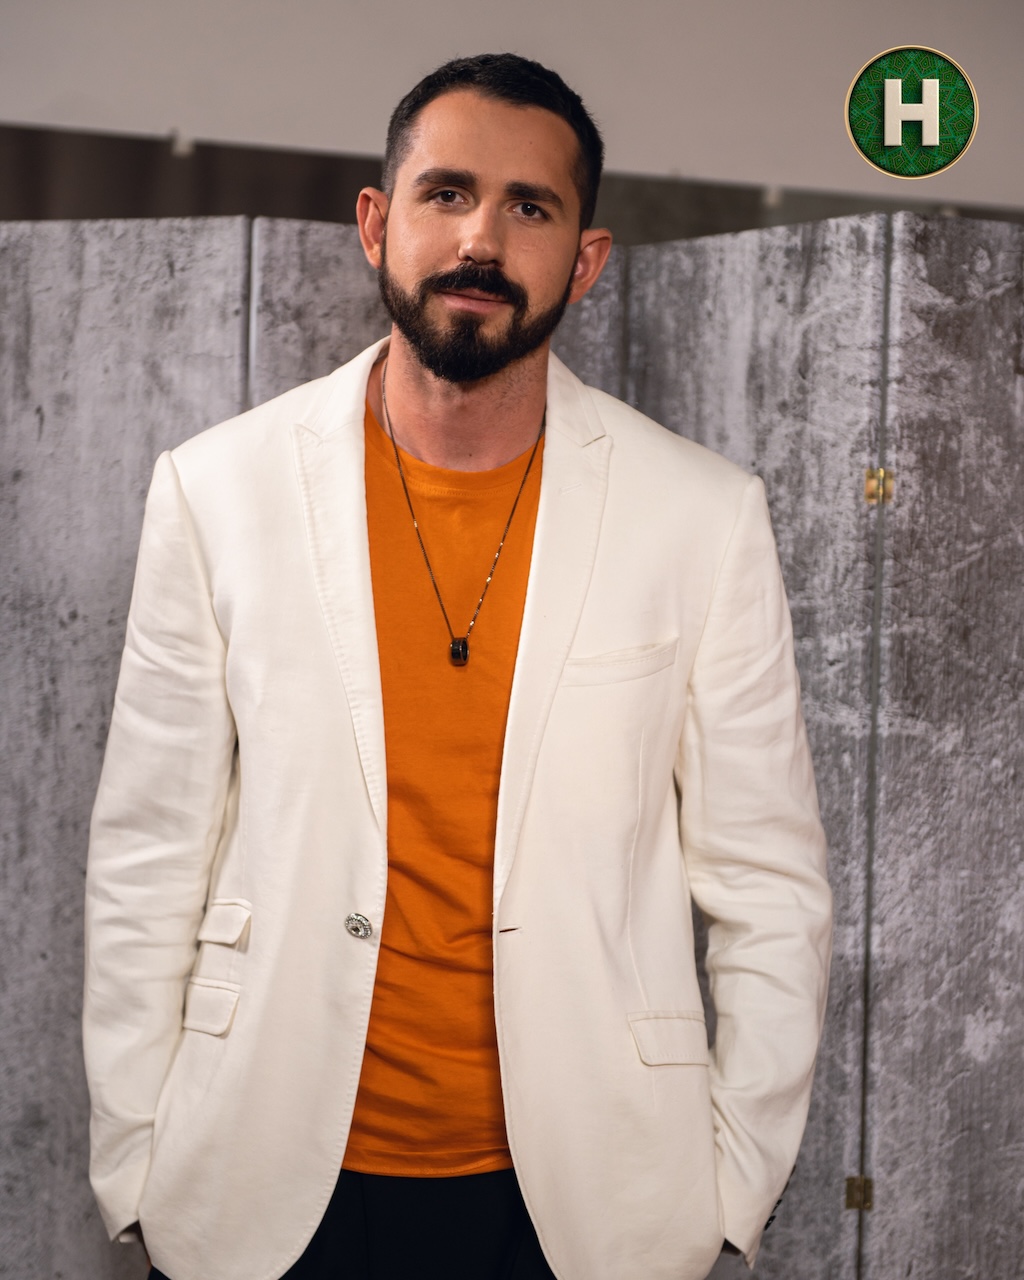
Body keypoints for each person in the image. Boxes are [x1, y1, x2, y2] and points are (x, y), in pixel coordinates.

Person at [83, 52, 832, 1280]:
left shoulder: (700, 516)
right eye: (446, 194)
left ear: (583, 259)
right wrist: (136, 1163)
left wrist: (729, 1190)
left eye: (529, 206)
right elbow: (146, 852)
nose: (481, 237)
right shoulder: (217, 491)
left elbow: (768, 883)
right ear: (377, 223)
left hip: (587, 1209)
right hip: (259, 1188)